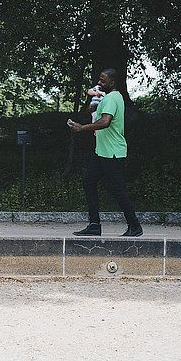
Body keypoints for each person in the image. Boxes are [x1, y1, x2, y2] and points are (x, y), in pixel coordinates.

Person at [68, 68, 143, 237]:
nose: (99, 83)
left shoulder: (111, 97)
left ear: (112, 83)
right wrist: (92, 108)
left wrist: (82, 128)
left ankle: (135, 225)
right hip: (101, 151)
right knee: (88, 182)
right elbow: (99, 113)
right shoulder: (111, 98)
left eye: (103, 81)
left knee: (116, 189)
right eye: (99, 80)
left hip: (112, 151)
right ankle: (94, 225)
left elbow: (105, 121)